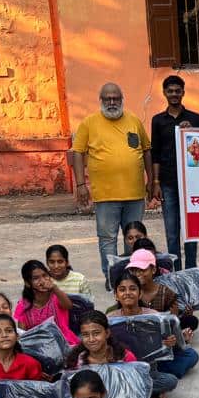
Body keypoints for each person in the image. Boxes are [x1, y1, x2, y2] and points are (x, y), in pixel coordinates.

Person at [69, 83, 155, 290]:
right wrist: (80, 184)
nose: (112, 102)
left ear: (122, 99)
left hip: (134, 193)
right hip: (105, 195)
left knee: (133, 238)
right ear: (101, 100)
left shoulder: (134, 120)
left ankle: (132, 277)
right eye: (107, 98)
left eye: (116, 98)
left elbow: (146, 150)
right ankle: (112, 277)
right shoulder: (89, 123)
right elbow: (78, 153)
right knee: (107, 239)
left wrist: (152, 180)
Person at [150, 75, 199, 269]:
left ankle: (190, 269)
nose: (174, 94)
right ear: (164, 93)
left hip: (192, 183)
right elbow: (155, 153)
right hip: (167, 182)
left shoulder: (196, 118)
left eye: (177, 91)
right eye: (170, 91)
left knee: (191, 230)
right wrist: (156, 182)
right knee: (172, 231)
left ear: (183, 92)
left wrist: (192, 133)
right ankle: (175, 270)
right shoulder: (158, 120)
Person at [107, 271, 199, 379]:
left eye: (132, 289)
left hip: (151, 363)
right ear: (116, 295)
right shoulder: (110, 318)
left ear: (140, 293)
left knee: (190, 355)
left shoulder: (154, 316)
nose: (127, 293)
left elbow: (163, 345)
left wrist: (169, 342)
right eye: (122, 290)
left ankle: (151, 377)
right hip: (123, 363)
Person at [13, 259, 78, 347]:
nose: (42, 281)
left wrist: (54, 288)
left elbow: (68, 306)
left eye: (45, 275)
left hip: (64, 343)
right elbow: (23, 335)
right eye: (36, 278)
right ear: (28, 283)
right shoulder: (23, 305)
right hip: (37, 347)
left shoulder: (56, 297)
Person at [0, 315, 46, 382]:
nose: (4, 335)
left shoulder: (31, 364)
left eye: (9, 331)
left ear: (17, 336)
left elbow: (37, 388)